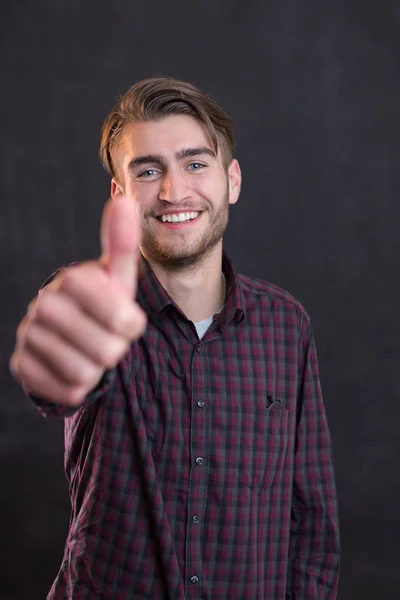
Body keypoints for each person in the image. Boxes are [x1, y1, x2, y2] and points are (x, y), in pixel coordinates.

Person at [10, 77, 340, 599]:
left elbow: (311, 525)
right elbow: (61, 369)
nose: (173, 191)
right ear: (119, 195)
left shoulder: (286, 326)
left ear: (231, 180)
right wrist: (54, 363)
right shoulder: (96, 306)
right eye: (147, 170)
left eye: (194, 163)